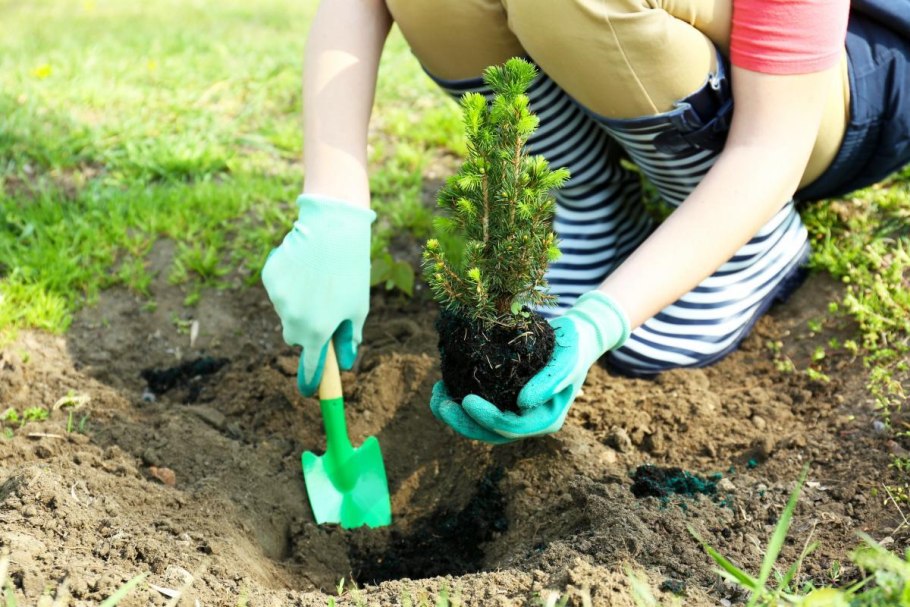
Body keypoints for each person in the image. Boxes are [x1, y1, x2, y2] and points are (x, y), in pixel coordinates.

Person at [262, 0, 910, 444]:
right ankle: (590, 205)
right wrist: (334, 206)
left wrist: (602, 318)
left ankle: (751, 241)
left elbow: (771, 145)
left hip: (827, 90)